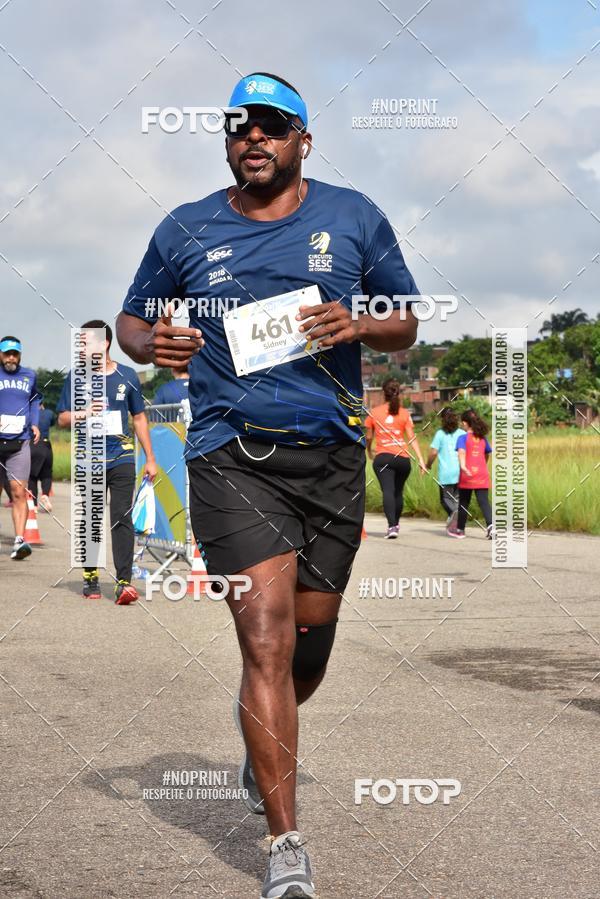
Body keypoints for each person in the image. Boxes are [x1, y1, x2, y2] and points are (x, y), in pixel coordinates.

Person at [116, 71, 420, 899]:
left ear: (303, 141)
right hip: (228, 455)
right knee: (267, 642)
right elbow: (133, 319)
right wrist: (154, 346)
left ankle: (263, 735)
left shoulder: (353, 216)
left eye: (273, 126)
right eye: (239, 127)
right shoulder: (186, 226)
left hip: (328, 456)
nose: (254, 138)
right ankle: (285, 845)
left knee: (310, 644)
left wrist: (360, 320)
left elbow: (407, 318)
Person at [57, 320, 157, 602]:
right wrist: (85, 412)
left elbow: (138, 417)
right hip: (90, 460)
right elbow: (62, 418)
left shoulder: (128, 376)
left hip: (122, 456)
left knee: (121, 517)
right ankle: (90, 576)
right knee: (92, 518)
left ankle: (124, 581)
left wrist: (150, 457)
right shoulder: (76, 378)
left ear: (104, 344)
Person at [365, 378, 427, 539]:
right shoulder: (405, 413)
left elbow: (368, 437)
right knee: (398, 492)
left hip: (383, 458)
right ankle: (396, 525)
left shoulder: (374, 412)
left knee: (388, 491)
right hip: (403, 460)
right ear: (398, 393)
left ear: (383, 393)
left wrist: (369, 451)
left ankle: (392, 526)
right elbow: (412, 438)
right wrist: (420, 459)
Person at [0, 336, 40, 559]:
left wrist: (34, 423)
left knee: (18, 492)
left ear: (20, 355)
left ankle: (19, 541)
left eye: (15, 353)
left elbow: (35, 399)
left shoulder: (29, 375)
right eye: (7, 353)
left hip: (20, 441)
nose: (11, 357)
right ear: (0, 354)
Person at [447, 409, 493, 539]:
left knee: (464, 503)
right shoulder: (482, 438)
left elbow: (461, 452)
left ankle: (460, 530)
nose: (462, 424)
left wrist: (463, 466)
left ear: (466, 423)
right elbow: (487, 454)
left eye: (463, 422)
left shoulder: (462, 438)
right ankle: (491, 527)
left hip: (467, 474)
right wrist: (483, 465)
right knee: (484, 502)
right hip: (482, 473)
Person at [426, 407, 466, 528]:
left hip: (446, 473)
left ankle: (454, 515)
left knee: (445, 499)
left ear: (442, 419)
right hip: (461, 471)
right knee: (457, 499)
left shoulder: (440, 434)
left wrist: (428, 464)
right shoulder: (462, 433)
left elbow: (433, 453)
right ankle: (458, 521)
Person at [28, 399, 54, 511]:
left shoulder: (28, 414)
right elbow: (52, 422)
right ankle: (45, 495)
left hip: (32, 445)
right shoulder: (49, 413)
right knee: (47, 474)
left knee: (32, 476)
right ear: (42, 404)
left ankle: (34, 504)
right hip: (46, 445)